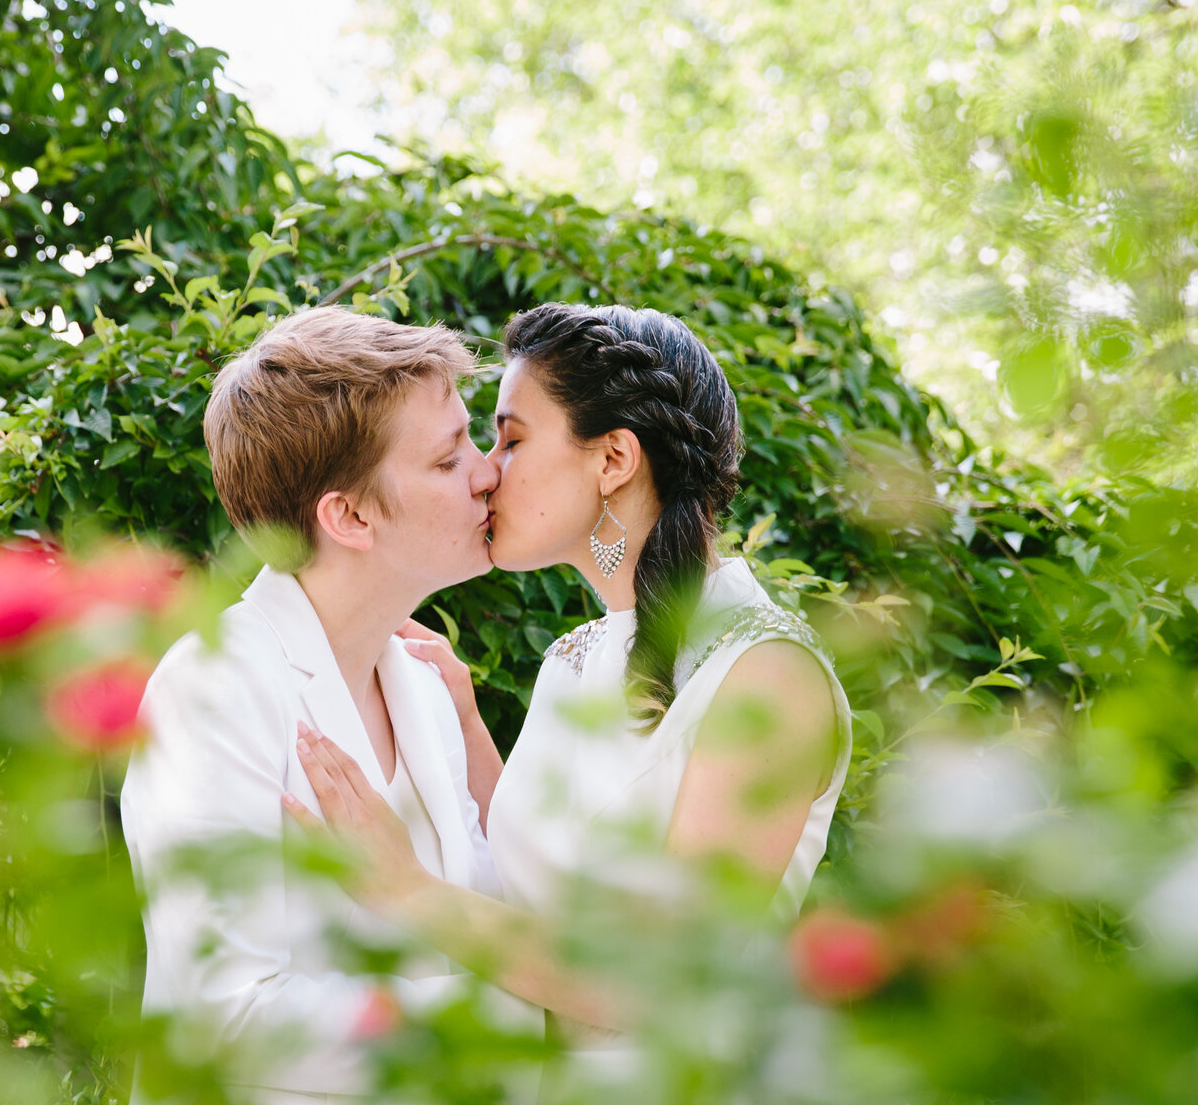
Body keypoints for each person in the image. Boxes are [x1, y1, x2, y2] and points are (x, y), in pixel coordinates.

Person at [101, 307, 518, 1105]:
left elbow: (486, 917)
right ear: (349, 515)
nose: (485, 474)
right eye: (448, 454)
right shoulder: (212, 688)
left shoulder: (424, 689)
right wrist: (467, 1031)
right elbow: (228, 1009)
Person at [290, 303, 850, 1031]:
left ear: (614, 458)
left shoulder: (770, 676)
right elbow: (542, 871)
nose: (486, 471)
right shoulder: (573, 659)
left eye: (511, 439)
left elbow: (668, 977)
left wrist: (408, 890)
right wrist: (463, 721)